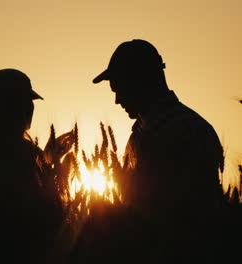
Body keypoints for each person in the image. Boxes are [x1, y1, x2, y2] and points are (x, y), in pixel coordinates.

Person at [92, 39, 225, 262]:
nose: (117, 100)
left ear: (142, 80)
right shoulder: (144, 131)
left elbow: (178, 219)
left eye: (120, 88)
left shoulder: (182, 131)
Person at [0, 68, 74, 262]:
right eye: (27, 102)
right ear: (11, 106)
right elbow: (32, 210)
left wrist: (49, 156)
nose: (31, 108)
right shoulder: (20, 151)